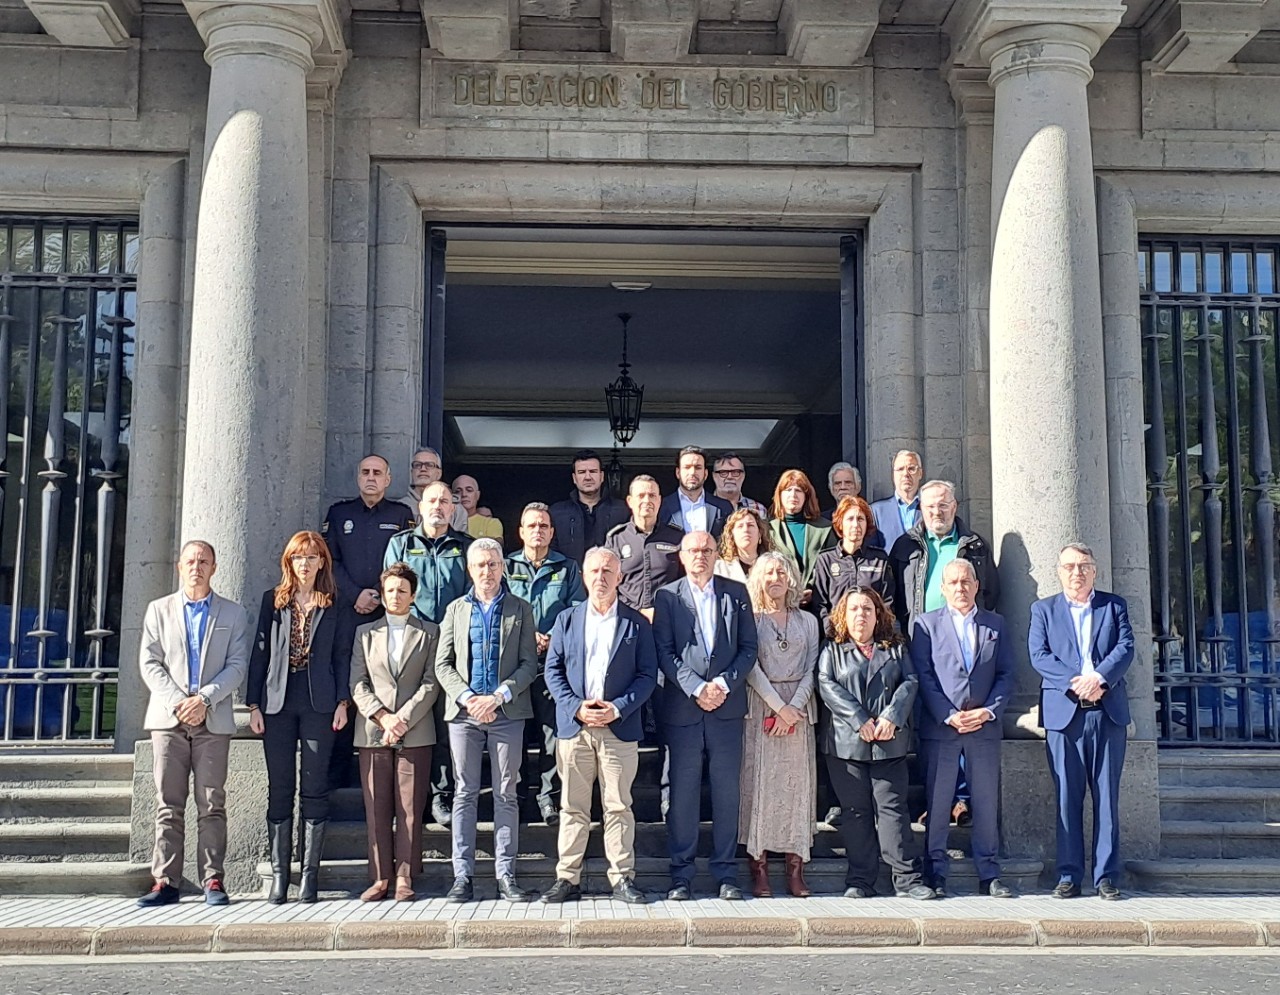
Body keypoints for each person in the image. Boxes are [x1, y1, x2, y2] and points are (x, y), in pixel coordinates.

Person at [539, 547, 657, 905]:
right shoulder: (567, 619)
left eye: (608, 571)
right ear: (584, 577)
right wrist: (576, 707)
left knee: (619, 806)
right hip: (575, 728)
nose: (601, 577)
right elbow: (552, 671)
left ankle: (622, 878)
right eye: (594, 571)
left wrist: (618, 709)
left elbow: (647, 675)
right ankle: (567, 878)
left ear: (619, 577)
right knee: (572, 807)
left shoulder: (636, 623)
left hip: (618, 728)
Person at [136, 540, 251, 908]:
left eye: (203, 562)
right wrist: (179, 702)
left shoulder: (233, 614)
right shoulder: (158, 610)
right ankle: (165, 881)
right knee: (168, 803)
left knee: (212, 802)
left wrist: (204, 700)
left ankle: (212, 879)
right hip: (168, 719)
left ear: (214, 568)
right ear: (179, 567)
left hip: (212, 719)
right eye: (190, 561)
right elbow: (150, 663)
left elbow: (237, 665)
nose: (196, 568)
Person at [246, 532, 352, 904]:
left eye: (311, 557)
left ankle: (309, 876)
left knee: (314, 786)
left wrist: (343, 702)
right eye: (297, 558)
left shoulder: (335, 602)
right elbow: (259, 654)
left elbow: (342, 654)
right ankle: (280, 876)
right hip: (277, 701)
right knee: (280, 786)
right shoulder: (272, 601)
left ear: (322, 562)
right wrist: (253, 705)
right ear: (288, 563)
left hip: (319, 702)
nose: (304, 564)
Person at [653, 531, 758, 901]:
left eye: (707, 550)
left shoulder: (736, 593)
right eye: (694, 550)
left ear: (716, 554)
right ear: (682, 556)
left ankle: (726, 873)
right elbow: (664, 651)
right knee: (683, 794)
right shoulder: (667, 596)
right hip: (684, 708)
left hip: (726, 710)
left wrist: (723, 685)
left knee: (727, 793)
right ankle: (681, 875)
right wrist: (696, 687)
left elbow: (749, 648)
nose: (700, 556)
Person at [434, 538, 540, 903]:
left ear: (502, 567)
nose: (487, 571)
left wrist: (498, 696)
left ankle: (505, 875)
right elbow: (442, 664)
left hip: (506, 712)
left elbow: (529, 664)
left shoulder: (520, 608)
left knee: (506, 793)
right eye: (480, 565)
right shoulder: (455, 610)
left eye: (493, 564)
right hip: (464, 715)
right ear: (470, 569)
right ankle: (462, 876)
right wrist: (468, 698)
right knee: (464, 792)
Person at [1030, 543, 1134, 901]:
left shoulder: (1114, 606)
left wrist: (1100, 678)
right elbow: (1039, 655)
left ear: (1095, 570)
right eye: (1070, 566)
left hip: (1107, 712)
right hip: (1065, 715)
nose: (1077, 572)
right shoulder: (1043, 610)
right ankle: (1069, 875)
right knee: (1066, 798)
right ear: (1059, 572)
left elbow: (1125, 647)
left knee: (1106, 797)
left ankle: (1106, 876)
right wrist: (1076, 682)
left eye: (1084, 566)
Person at [817, 587, 935, 901]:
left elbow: (910, 681)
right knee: (856, 813)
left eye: (868, 609)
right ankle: (860, 880)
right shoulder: (831, 650)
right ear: (843, 615)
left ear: (878, 615)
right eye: (854, 609)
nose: (861, 615)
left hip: (888, 741)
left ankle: (907, 879)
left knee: (893, 810)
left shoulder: (895, 648)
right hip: (847, 744)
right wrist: (859, 720)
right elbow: (826, 685)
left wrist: (891, 717)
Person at [911, 559, 1016, 899]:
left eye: (966, 581)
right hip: (943, 729)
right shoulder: (926, 625)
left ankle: (989, 873)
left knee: (985, 803)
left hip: (983, 729)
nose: (960, 587)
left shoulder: (995, 624)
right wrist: (947, 714)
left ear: (976, 585)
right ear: (942, 588)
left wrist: (989, 711)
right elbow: (923, 675)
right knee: (938, 802)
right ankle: (936, 872)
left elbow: (1006, 674)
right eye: (953, 582)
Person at [322, 454, 415, 788]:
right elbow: (329, 561)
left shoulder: (401, 515)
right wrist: (355, 595)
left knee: (386, 683)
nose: (371, 477)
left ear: (388, 479)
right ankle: (339, 772)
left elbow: (404, 563)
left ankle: (387, 766)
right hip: (347, 613)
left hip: (387, 612)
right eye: (365, 472)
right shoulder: (339, 514)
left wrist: (377, 594)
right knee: (348, 684)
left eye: (378, 473)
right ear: (358, 477)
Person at [349, 563, 441, 903]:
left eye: (402, 590)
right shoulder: (365, 633)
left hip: (415, 730)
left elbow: (431, 683)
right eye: (390, 590)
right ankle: (380, 877)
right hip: (373, 731)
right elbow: (357, 682)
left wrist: (402, 718)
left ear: (413, 596)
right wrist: (383, 718)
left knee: (410, 808)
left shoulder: (430, 632)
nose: (395, 596)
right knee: (376, 808)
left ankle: (404, 875)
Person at [383, 480, 473, 826]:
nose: (438, 506)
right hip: (412, 642)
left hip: (453, 646)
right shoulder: (401, 544)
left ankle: (441, 795)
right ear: (420, 507)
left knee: (444, 721)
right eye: (432, 500)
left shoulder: (465, 547)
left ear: (453, 508)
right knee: (410, 719)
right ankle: (409, 798)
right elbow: (392, 591)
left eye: (445, 501)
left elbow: (473, 595)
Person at [740, 552, 819, 899]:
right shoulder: (750, 619)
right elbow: (750, 666)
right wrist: (778, 707)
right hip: (762, 705)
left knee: (797, 789)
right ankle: (759, 868)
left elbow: (813, 666)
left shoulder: (808, 621)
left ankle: (795, 868)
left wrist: (793, 708)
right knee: (760, 786)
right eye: (769, 572)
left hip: (799, 712)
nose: (776, 578)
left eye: (781, 572)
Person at [505, 502, 586, 824]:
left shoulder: (567, 568)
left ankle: (549, 797)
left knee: (552, 734)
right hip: (513, 665)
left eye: (543, 526)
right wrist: (527, 635)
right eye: (532, 526)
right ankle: (516, 795)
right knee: (515, 733)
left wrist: (552, 636)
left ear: (552, 532)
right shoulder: (506, 566)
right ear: (521, 532)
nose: (537, 531)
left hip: (553, 663)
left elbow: (578, 609)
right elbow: (499, 607)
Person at [889, 479, 999, 633]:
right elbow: (892, 593)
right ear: (921, 508)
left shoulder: (976, 546)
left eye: (943, 505)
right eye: (930, 506)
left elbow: (991, 594)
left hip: (964, 634)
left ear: (954, 507)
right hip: (919, 634)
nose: (936, 512)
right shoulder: (905, 545)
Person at [810, 495, 896, 636]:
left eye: (860, 519)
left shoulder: (879, 559)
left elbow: (887, 603)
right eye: (850, 519)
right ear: (840, 523)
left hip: (872, 638)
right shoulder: (825, 560)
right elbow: (820, 605)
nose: (856, 525)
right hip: (836, 638)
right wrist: (832, 633)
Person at [605, 474, 684, 621]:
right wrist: (637, 611)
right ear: (630, 501)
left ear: (659, 500)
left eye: (652, 496)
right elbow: (608, 582)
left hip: (667, 619)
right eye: (641, 496)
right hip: (626, 618)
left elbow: (685, 581)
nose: (647, 500)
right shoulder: (617, 538)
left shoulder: (676, 537)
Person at [549, 449, 630, 565]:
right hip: (569, 576)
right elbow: (550, 552)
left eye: (593, 471)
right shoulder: (557, 513)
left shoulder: (623, 511)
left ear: (601, 476)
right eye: (582, 472)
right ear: (574, 478)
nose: (588, 477)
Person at [767, 468, 835, 602]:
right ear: (779, 495)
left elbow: (833, 565)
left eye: (798, 490)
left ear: (806, 496)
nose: (793, 495)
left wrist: (814, 591)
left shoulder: (825, 528)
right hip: (779, 601)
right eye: (788, 490)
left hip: (819, 601)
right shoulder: (768, 529)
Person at [658, 445, 734, 538]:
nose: (692, 472)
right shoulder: (661, 506)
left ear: (705, 474)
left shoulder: (723, 507)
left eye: (698, 467)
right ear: (678, 473)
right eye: (687, 467)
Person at [398, 446, 469, 532]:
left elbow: (458, 539)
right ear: (412, 472)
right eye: (417, 465)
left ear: (439, 473)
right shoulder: (399, 508)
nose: (423, 469)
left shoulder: (457, 510)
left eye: (429, 465)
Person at [870, 450, 923, 551]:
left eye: (911, 469)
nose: (905, 474)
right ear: (893, 475)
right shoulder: (876, 511)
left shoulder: (932, 508)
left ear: (920, 473)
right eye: (900, 469)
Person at [714, 508, 772, 584]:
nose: (746, 530)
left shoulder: (773, 564)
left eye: (750, 525)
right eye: (740, 526)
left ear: (760, 533)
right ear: (732, 535)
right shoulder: (719, 568)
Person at [711, 451, 769, 518]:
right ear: (714, 476)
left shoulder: (758, 509)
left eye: (735, 472)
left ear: (743, 475)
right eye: (723, 472)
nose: (730, 477)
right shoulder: (703, 507)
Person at [452, 474, 503, 541]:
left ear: (477, 495)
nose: (464, 494)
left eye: (469, 490)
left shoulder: (490, 523)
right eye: (458, 491)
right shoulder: (445, 522)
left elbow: (495, 545)